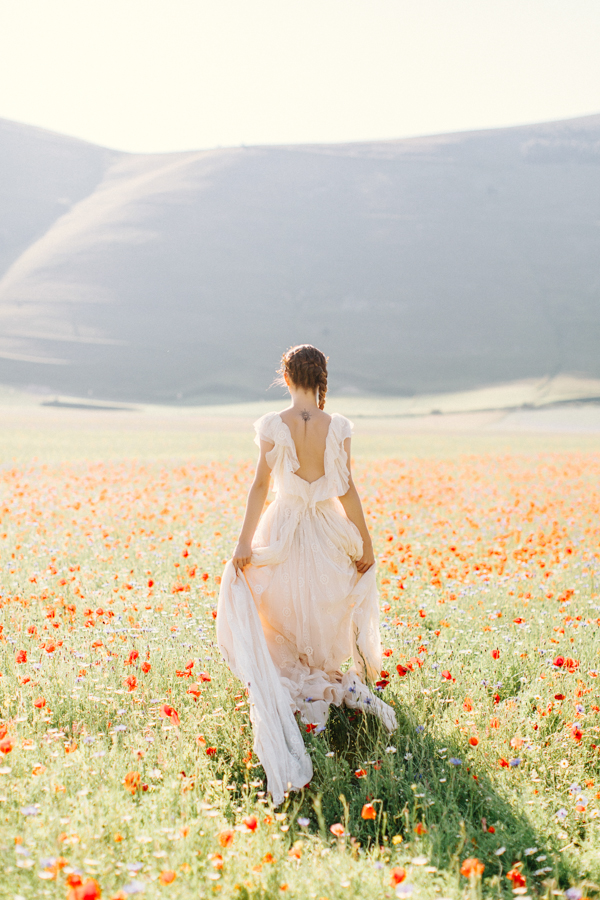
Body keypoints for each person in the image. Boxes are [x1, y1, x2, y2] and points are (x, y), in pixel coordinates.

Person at [217, 344, 396, 805]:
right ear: (321, 379)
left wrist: (244, 541)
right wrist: (367, 542)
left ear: (286, 376)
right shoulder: (338, 427)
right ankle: (322, 677)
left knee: (280, 606)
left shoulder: (273, 425)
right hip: (325, 525)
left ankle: (300, 682)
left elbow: (260, 486)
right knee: (321, 604)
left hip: (284, 523)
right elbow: (348, 488)